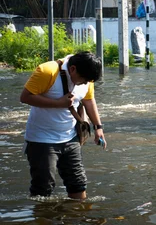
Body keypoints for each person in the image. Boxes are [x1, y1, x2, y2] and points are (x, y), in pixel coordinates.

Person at [20, 52, 105, 199]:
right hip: (42, 140)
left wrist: (98, 128)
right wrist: (58, 103)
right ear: (72, 69)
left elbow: (89, 101)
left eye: (88, 81)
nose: (85, 83)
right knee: (43, 188)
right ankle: (42, 220)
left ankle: (77, 218)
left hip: (71, 138)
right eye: (83, 80)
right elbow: (25, 97)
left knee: (78, 183)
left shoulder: (87, 77)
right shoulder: (48, 71)